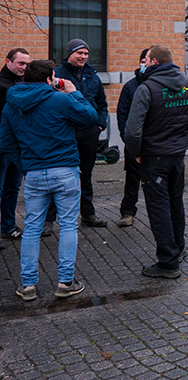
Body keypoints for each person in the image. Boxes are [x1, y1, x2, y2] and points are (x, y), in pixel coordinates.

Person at [1, 60, 98, 299]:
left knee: (32, 228)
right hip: (64, 170)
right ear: (48, 79)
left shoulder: (11, 104)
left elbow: (6, 141)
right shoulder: (60, 99)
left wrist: (25, 165)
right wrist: (74, 93)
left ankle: (28, 285)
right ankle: (65, 282)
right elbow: (91, 117)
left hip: (34, 173)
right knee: (67, 225)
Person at [125, 45, 188, 280]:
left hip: (153, 158)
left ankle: (168, 262)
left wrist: (137, 153)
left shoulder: (146, 88)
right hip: (177, 157)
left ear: (153, 62)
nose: (144, 63)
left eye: (147, 59)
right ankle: (178, 248)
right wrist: (182, 140)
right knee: (175, 202)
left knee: (158, 208)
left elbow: (133, 131)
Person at [51, 39, 108, 228]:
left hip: (89, 134)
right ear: (69, 54)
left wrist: (100, 125)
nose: (83, 57)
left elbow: (102, 103)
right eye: (79, 53)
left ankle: (88, 214)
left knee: (86, 174)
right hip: (65, 133)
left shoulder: (93, 75)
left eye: (86, 53)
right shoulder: (57, 75)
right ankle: (49, 220)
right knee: (58, 176)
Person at [114, 48, 150, 226]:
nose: (145, 64)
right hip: (134, 141)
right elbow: (122, 113)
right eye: (142, 60)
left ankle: (157, 213)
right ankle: (127, 211)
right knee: (132, 179)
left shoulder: (162, 85)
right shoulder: (130, 86)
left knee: (154, 180)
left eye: (148, 60)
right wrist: (127, 137)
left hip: (154, 142)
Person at [0, 47, 30, 245]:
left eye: (27, 64)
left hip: (17, 145)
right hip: (2, 145)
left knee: (12, 187)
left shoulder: (23, 83)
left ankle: (8, 226)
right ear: (8, 61)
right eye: (21, 63)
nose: (24, 67)